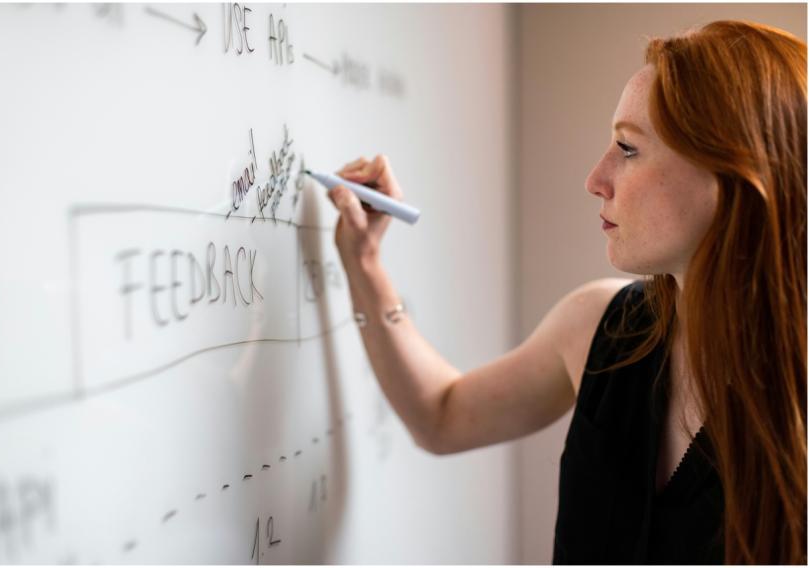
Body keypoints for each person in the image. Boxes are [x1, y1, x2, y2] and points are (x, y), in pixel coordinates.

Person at [325, 20, 806, 565]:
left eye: (627, 148)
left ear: (730, 176)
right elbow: (441, 415)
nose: (595, 178)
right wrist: (365, 264)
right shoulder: (602, 327)